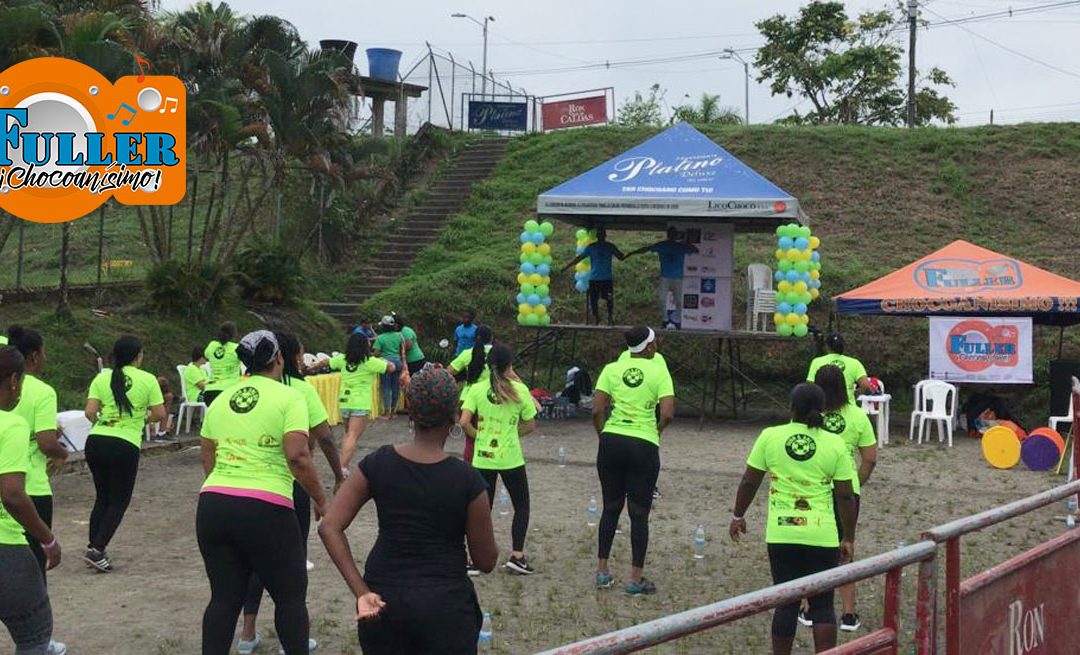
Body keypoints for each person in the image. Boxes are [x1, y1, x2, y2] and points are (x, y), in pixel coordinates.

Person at [319, 367, 498, 655]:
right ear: (454, 416)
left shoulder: (378, 463)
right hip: (446, 606)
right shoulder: (467, 479)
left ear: (410, 413)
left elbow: (330, 526)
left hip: (383, 601)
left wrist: (361, 592)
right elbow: (486, 560)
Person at [197, 330, 328, 655]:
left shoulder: (222, 398)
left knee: (224, 598)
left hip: (213, 503)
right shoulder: (290, 398)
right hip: (266, 507)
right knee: (290, 596)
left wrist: (228, 486)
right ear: (279, 359)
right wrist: (322, 500)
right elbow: (298, 456)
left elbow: (207, 454)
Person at [729, 383, 857, 655]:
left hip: (783, 532)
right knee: (822, 605)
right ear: (822, 409)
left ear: (791, 408)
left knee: (785, 602)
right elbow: (846, 496)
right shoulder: (835, 443)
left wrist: (738, 515)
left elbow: (749, 481)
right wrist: (848, 536)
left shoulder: (770, 436)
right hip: (822, 534)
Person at [237, 332, 345, 655]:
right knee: (293, 565)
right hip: (289, 487)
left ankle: (247, 633)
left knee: (255, 562)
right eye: (299, 353)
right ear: (284, 357)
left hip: (250, 485)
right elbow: (324, 438)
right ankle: (293, 641)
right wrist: (338, 478)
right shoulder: (300, 390)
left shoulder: (246, 391)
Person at [592, 326, 674, 595]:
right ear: (648, 347)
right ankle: (634, 579)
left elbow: (597, 409)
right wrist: (656, 431)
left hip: (612, 440)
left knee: (610, 507)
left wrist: (603, 434)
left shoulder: (611, 369)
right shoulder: (659, 371)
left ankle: (602, 572)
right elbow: (668, 412)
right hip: (643, 443)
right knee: (639, 513)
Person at [799, 365, 877, 633]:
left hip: (814, 489)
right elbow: (870, 458)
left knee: (812, 550)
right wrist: (855, 482)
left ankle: (810, 609)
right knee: (845, 548)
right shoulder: (857, 416)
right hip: (847, 491)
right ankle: (848, 614)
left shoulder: (806, 415)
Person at [0, 345, 65, 655]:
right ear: (14, 381)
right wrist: (47, 539)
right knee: (34, 636)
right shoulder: (10, 425)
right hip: (5, 549)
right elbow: (12, 494)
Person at [83, 336, 166, 572]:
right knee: (119, 501)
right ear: (137, 355)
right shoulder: (148, 379)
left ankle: (94, 545)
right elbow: (160, 413)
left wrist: (106, 421)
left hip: (97, 439)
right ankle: (97, 550)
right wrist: (139, 419)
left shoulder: (102, 377)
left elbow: (89, 412)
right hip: (125, 443)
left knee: (102, 496)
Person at [459, 345, 537, 575]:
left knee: (481, 510)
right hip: (511, 458)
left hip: (483, 458)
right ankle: (517, 555)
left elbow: (463, 422)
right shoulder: (520, 390)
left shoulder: (476, 389)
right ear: (509, 366)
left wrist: (478, 436)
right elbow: (531, 424)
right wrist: (512, 434)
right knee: (521, 505)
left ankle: (472, 559)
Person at [8, 327, 67, 577]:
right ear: (33, 356)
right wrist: (61, 453)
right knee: (33, 568)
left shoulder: (4, 384)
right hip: (32, 488)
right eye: (43, 352)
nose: (45, 357)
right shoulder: (42, 391)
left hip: (5, 483)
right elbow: (46, 442)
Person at [329, 334, 395, 472]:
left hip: (344, 401)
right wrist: (388, 362)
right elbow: (390, 368)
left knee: (348, 434)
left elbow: (327, 362)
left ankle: (343, 463)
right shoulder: (370, 361)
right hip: (360, 402)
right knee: (352, 436)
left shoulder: (342, 359)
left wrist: (312, 367)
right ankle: (342, 467)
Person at [626, 227, 698, 327]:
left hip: (677, 277)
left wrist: (685, 243)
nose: (672, 235)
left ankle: (677, 320)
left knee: (679, 301)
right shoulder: (662, 245)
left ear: (676, 235)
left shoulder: (680, 246)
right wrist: (632, 253)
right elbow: (646, 249)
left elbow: (695, 250)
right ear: (668, 234)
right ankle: (665, 319)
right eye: (670, 233)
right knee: (661, 299)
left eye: (674, 233)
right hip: (665, 277)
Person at [561, 227, 626, 326]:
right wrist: (567, 266)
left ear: (603, 236)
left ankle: (609, 318)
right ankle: (598, 318)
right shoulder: (595, 247)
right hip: (596, 279)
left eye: (601, 234)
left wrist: (627, 254)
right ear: (600, 236)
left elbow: (621, 257)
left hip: (604, 279)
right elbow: (579, 258)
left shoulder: (607, 246)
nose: (601, 236)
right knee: (595, 300)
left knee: (608, 299)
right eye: (600, 234)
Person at [447, 325, 494, 464]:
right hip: (490, 399)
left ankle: (470, 468)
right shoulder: (497, 353)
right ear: (491, 338)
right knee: (491, 434)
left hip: (467, 399)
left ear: (474, 338)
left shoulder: (468, 353)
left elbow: (449, 371)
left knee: (470, 440)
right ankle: (487, 463)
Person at [807, 333, 873, 405]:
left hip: (823, 407)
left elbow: (810, 387)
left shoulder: (817, 362)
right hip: (848, 407)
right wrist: (854, 395)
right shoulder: (854, 363)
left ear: (827, 346)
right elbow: (866, 386)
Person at [373, 316, 406, 419]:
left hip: (386, 364)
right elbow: (402, 350)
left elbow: (376, 353)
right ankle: (393, 412)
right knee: (395, 387)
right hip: (398, 362)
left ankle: (387, 413)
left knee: (386, 387)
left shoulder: (380, 338)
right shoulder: (399, 336)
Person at [204, 322, 241, 407]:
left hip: (210, 391)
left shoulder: (211, 345)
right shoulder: (237, 348)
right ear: (233, 335)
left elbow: (206, 355)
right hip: (228, 391)